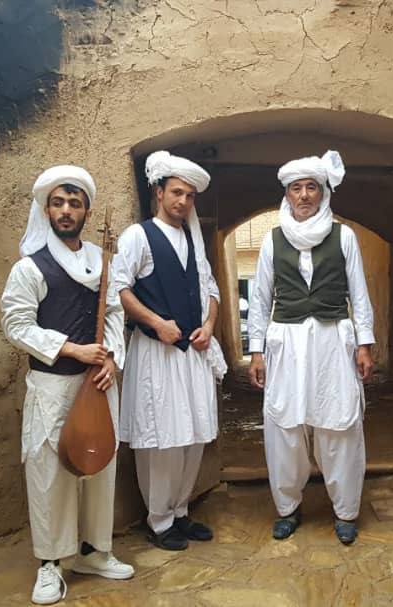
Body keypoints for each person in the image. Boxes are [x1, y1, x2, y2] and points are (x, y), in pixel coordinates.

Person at [1, 165, 134, 605]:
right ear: (46, 210)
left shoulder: (102, 260)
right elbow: (16, 325)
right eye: (58, 203)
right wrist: (72, 349)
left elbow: (113, 313)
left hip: (98, 382)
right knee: (50, 472)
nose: (65, 210)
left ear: (87, 213)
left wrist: (110, 358)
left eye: (74, 204)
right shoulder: (30, 267)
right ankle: (51, 562)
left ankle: (95, 552)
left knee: (99, 464)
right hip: (53, 386)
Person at [247, 150, 375, 545]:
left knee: (339, 424)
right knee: (286, 427)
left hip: (332, 340)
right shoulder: (272, 240)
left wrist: (365, 344)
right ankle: (288, 508)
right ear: (287, 194)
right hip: (286, 344)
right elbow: (260, 298)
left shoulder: (344, 236)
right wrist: (256, 351)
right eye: (296, 189)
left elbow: (359, 294)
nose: (303, 196)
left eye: (311, 188)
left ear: (323, 193)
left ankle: (346, 511)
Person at [111, 151, 227, 551]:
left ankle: (180, 511)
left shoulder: (194, 241)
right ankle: (158, 521)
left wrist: (209, 326)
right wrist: (157, 323)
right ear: (158, 192)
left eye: (190, 196)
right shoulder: (138, 236)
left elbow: (211, 289)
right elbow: (119, 289)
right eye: (176, 192)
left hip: (193, 353)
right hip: (156, 355)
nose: (183, 201)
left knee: (192, 436)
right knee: (162, 438)